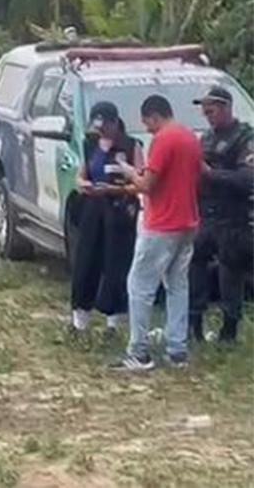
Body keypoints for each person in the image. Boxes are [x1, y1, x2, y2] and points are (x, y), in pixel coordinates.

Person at [112, 95, 202, 370]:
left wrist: (128, 174)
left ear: (154, 115)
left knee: (139, 285)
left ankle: (139, 352)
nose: (148, 129)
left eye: (148, 123)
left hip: (162, 223)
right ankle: (177, 350)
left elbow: (148, 185)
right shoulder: (189, 137)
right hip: (188, 221)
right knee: (177, 286)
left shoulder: (164, 139)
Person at [188, 85, 254, 344]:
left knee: (230, 272)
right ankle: (194, 325)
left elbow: (248, 179)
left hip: (233, 218)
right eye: (204, 111)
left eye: (211, 110)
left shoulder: (244, 138)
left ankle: (229, 331)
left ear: (226, 108)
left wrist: (210, 174)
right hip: (206, 215)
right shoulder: (205, 139)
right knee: (195, 264)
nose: (207, 115)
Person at [70, 102, 143, 336]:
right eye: (98, 127)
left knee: (116, 263)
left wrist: (114, 189)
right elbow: (81, 174)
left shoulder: (131, 145)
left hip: (119, 208)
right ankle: (80, 317)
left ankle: (114, 321)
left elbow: (140, 183)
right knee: (86, 259)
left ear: (115, 122)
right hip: (94, 205)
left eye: (105, 126)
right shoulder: (90, 144)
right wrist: (83, 184)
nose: (102, 131)